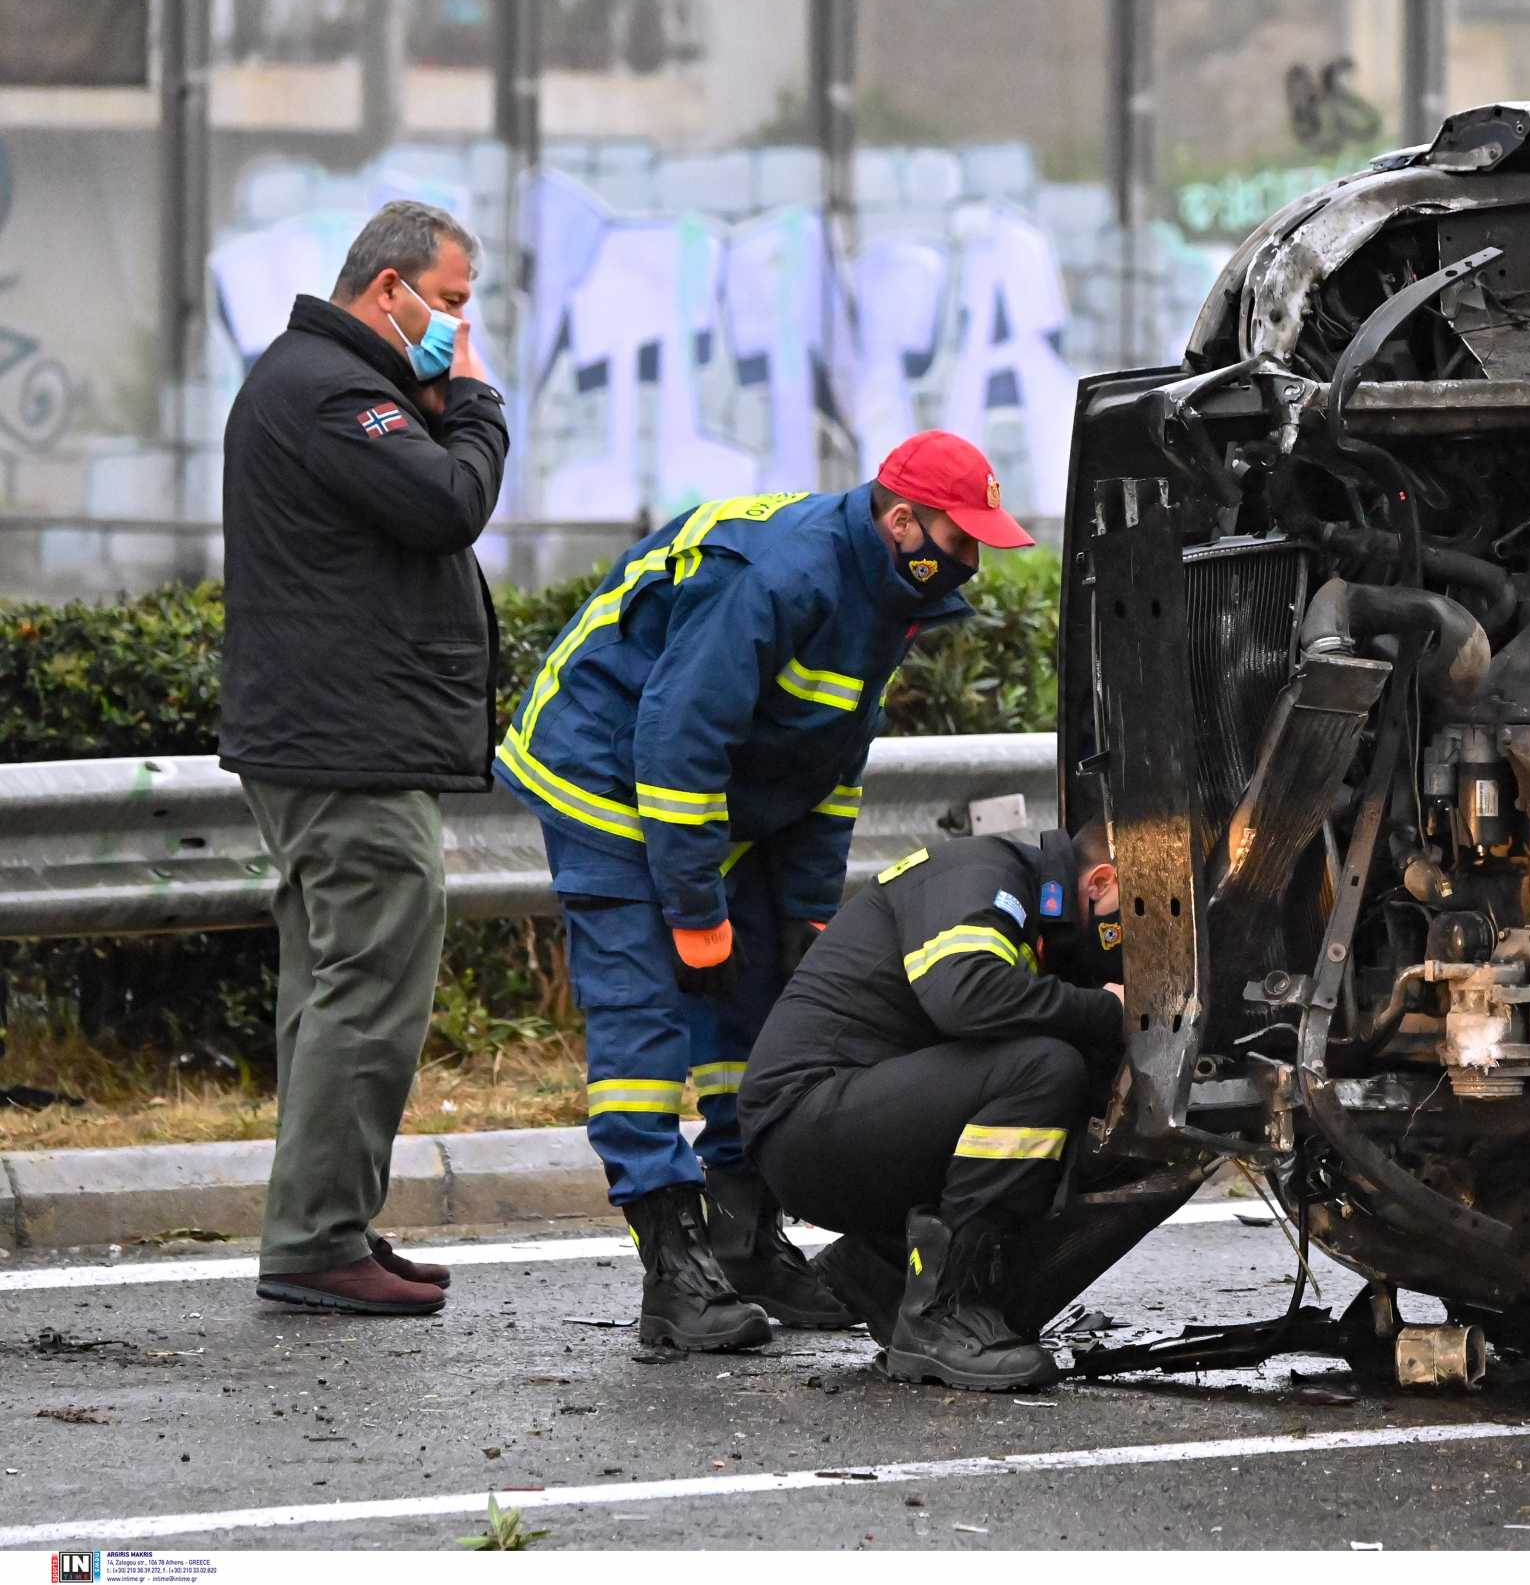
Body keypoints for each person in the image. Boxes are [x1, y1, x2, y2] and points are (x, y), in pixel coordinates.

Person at [498, 431, 1035, 1351]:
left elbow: (826, 767)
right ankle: (672, 1267)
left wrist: (806, 913)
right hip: (610, 774)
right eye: (959, 537)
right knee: (644, 1021)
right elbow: (676, 738)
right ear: (901, 520)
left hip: (713, 798)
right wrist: (697, 912)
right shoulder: (780, 574)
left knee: (756, 1007)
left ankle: (743, 1235)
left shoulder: (888, 595)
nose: (971, 562)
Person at [218, 200, 508, 1317]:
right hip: (344, 743)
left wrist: (434, 403)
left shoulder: (320, 383)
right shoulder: (334, 391)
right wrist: (474, 405)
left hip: (325, 734)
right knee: (371, 980)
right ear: (385, 289)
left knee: (329, 984)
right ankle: (313, 1241)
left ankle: (326, 1224)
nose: (456, 332)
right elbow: (448, 505)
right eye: (446, 305)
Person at [738, 824, 1125, 1392]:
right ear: (1101, 881)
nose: (1122, 947)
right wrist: (1107, 1008)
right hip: (806, 1120)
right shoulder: (985, 874)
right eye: (1130, 920)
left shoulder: (1035, 912)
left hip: (839, 1118)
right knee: (1043, 1070)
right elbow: (966, 996)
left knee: (1066, 1074)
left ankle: (885, 1270)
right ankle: (942, 1315)